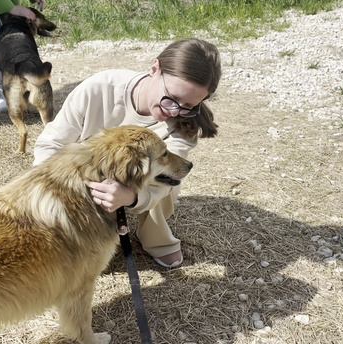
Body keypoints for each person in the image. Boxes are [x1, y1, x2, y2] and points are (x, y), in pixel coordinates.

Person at [33, 38, 221, 268]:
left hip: (138, 181)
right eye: (172, 98)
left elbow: (166, 180)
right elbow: (50, 143)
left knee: (168, 177)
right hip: (90, 174)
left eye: (189, 105)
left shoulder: (186, 122)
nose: (175, 111)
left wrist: (130, 198)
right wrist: (53, 189)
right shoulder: (100, 88)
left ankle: (156, 237)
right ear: (155, 69)